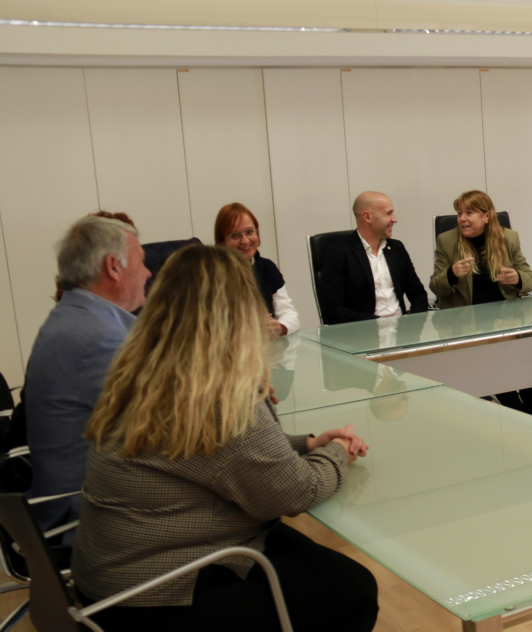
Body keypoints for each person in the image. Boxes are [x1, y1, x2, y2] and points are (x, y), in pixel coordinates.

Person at [72, 244, 377, 632]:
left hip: (108, 580)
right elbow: (293, 493)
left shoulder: (142, 371)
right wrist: (336, 452)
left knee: (309, 559)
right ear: (239, 312)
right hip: (157, 595)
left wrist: (309, 445)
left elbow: (212, 455)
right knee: (354, 591)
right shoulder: (218, 393)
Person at [24, 215, 151, 533]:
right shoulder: (98, 337)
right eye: (142, 261)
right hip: (86, 518)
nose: (148, 272)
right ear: (113, 266)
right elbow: (167, 425)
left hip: (70, 500)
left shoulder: (73, 316)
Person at [429, 190, 532, 417]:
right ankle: (522, 415)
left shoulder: (508, 238)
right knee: (493, 366)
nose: (462, 218)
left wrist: (517, 278)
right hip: (465, 326)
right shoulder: (447, 241)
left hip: (506, 321)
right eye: (459, 213)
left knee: (526, 354)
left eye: (469, 213)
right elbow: (436, 287)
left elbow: (530, 278)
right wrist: (451, 274)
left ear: (487, 216)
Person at [319, 191, 429, 324]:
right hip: (363, 336)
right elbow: (331, 310)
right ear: (367, 217)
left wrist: (413, 323)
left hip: (403, 334)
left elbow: (418, 293)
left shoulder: (396, 248)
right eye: (388, 213)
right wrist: (378, 325)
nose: (395, 219)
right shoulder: (338, 253)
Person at [215, 202, 300, 336]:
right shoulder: (212, 273)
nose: (245, 241)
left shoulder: (267, 267)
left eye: (249, 232)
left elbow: (289, 313)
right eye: (235, 235)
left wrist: (280, 327)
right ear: (222, 241)